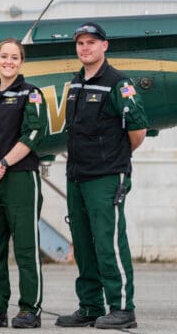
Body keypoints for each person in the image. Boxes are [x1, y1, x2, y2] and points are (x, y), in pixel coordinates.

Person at [55, 22, 148, 330]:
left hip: (107, 176)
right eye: (80, 43)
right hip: (77, 175)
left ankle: (122, 309)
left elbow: (137, 131)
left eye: (91, 42)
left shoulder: (118, 83)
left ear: (104, 46)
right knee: (83, 244)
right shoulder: (76, 83)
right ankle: (91, 306)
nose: (85, 48)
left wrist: (115, 159)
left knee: (108, 243)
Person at [0, 38, 47, 329]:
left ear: (21, 62)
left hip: (20, 177)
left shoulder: (31, 94)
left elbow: (32, 135)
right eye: (4, 56)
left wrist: (2, 164)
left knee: (26, 248)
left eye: (15, 57)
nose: (9, 61)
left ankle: (30, 309)